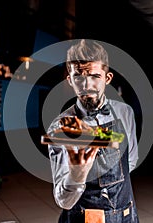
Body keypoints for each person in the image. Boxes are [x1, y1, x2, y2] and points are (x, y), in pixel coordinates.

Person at [47, 39, 139, 223]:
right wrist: (77, 175)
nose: (87, 85)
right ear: (70, 80)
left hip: (126, 213)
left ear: (107, 78)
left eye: (95, 76)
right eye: (79, 77)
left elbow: (131, 160)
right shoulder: (59, 128)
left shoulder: (125, 112)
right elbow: (63, 201)